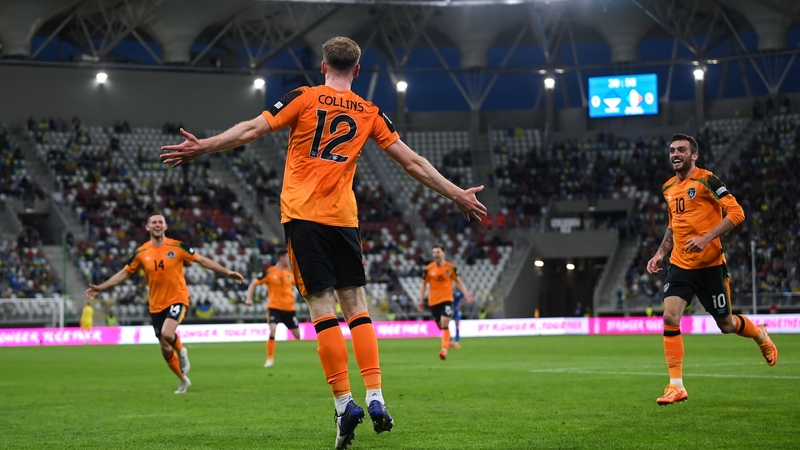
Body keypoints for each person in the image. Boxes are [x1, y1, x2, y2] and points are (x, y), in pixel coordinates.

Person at [160, 36, 486, 449]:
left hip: (303, 217)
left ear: (321, 66)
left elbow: (253, 129)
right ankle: (375, 395)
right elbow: (413, 162)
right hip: (344, 221)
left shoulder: (304, 97)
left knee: (322, 310)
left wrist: (204, 146)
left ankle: (344, 400)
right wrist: (457, 193)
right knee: (358, 307)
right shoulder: (370, 112)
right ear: (359, 70)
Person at [646, 133, 778, 406]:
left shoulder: (708, 180)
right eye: (672, 150)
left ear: (694, 155)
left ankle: (760, 333)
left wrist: (706, 238)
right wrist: (660, 253)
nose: (675, 154)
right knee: (670, 317)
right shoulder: (668, 187)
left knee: (727, 325)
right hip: (680, 265)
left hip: (710, 266)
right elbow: (673, 225)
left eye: (681, 149)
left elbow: (737, 213)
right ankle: (676, 385)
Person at [85, 212, 245, 394]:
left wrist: (227, 272)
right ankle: (183, 379)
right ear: (148, 227)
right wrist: (101, 287)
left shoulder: (177, 247)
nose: (157, 224)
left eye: (160, 221)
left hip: (178, 297)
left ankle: (182, 352)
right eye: (153, 222)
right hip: (155, 305)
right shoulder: (141, 252)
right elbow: (124, 273)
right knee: (163, 346)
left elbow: (201, 260)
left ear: (165, 226)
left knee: (167, 333)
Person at [245, 249, 300, 367]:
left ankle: (295, 358)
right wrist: (249, 298)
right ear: (281, 258)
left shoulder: (290, 273)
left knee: (298, 336)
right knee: (273, 330)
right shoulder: (269, 272)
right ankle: (270, 359)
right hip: (274, 307)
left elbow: (300, 286)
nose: (288, 259)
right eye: (286, 257)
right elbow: (254, 283)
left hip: (289, 308)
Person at [418, 245, 474, 360]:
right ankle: (447, 341)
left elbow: (458, 281)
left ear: (443, 253)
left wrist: (466, 293)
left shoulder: (450, 267)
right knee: (440, 326)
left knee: (444, 324)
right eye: (434, 253)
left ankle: (444, 350)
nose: (435, 255)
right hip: (433, 301)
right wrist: (421, 300)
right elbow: (424, 285)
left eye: (437, 252)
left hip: (447, 299)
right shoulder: (428, 269)